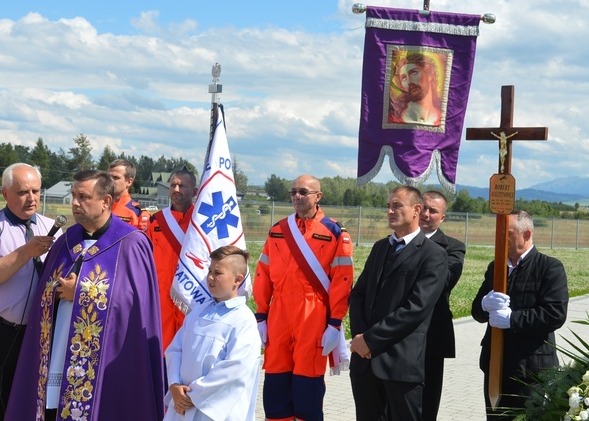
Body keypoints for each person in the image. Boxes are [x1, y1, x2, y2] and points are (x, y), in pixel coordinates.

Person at [5, 169, 164, 421]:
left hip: (107, 361)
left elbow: (134, 304)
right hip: (59, 350)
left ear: (106, 201)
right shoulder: (66, 240)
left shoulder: (132, 242)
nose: (75, 203)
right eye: (74, 196)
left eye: (84, 197)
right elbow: (45, 291)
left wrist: (81, 292)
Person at [253, 174, 354, 421]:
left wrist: (335, 322)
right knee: (276, 381)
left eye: (303, 192)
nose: (297, 197)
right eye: (293, 192)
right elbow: (263, 273)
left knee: (307, 383)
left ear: (318, 196)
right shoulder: (278, 230)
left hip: (314, 313)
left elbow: (343, 281)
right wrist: (261, 314)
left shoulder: (334, 232)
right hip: (279, 313)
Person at [349, 185, 448, 421]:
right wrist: (362, 339)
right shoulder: (381, 247)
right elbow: (359, 295)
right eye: (388, 206)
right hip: (365, 362)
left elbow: (416, 309)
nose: (390, 211)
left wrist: (371, 340)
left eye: (397, 205)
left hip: (401, 364)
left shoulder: (433, 254)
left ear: (416, 210)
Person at [0, 163, 57, 421]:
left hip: (41, 334)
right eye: (22, 192)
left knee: (37, 408)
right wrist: (26, 252)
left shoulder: (53, 228)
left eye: (36, 191)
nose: (31, 199)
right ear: (5, 193)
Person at [471, 210, 568, 420]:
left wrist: (512, 320)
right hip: (496, 367)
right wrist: (484, 304)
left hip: (531, 372)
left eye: (508, 233)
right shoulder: (496, 267)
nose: (501, 238)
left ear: (526, 234)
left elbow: (555, 314)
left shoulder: (549, 268)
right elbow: (476, 313)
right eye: (499, 233)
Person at [164, 245, 261, 421]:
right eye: (209, 270)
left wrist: (194, 395)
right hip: (182, 403)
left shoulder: (244, 320)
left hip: (214, 410)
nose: (210, 277)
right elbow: (175, 350)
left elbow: (235, 369)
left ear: (237, 279)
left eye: (218, 273)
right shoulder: (197, 312)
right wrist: (175, 384)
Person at [420, 190, 466, 421]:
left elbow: (443, 282)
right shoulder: (394, 241)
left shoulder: (453, 247)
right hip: (395, 339)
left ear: (442, 218)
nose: (426, 214)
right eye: (423, 208)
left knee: (427, 404)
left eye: (433, 211)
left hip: (431, 337)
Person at [146, 168, 198, 352]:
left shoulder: (201, 221)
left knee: (189, 351)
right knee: (161, 350)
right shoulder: (156, 221)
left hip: (192, 296)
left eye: (182, 185)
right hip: (161, 297)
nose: (176, 189)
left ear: (194, 192)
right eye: (173, 185)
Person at [388, 52, 442, 126]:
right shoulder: (393, 118)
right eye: (403, 78)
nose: (409, 81)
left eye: (414, 72)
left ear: (429, 74)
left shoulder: (445, 119)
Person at [108, 158, 144, 229]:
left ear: (129, 182)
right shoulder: (98, 207)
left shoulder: (138, 213)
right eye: (108, 177)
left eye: (115, 178)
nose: (110, 181)